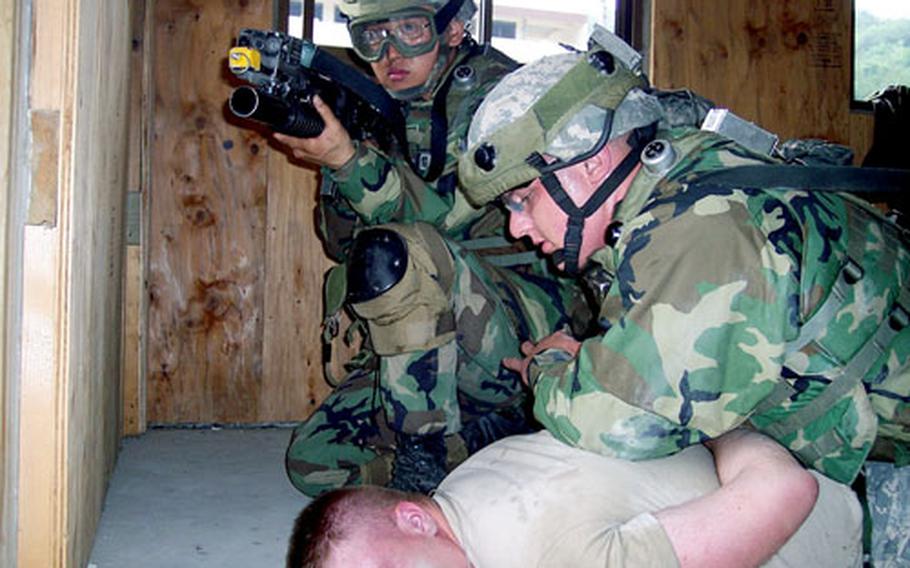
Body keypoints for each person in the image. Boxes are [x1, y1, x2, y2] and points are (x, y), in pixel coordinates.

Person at [455, 26, 910, 487]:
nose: (516, 226)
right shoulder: (677, 177)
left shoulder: (702, 226)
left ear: (586, 161)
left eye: (523, 198)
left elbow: (617, 425)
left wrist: (548, 368)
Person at [278, 0, 591, 498]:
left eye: (410, 30)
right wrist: (338, 154)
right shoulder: (383, 103)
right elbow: (342, 245)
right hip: (426, 353)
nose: (390, 52)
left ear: (453, 29)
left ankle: (424, 458)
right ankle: (494, 439)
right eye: (372, 37)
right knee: (315, 463)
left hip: (518, 334)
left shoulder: (500, 96)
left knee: (404, 247)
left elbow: (446, 216)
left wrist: (349, 160)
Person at [285, 428, 863, 567]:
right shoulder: (462, 491)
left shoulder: (543, 552)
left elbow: (788, 491)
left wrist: (727, 425)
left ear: (413, 520)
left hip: (831, 530)